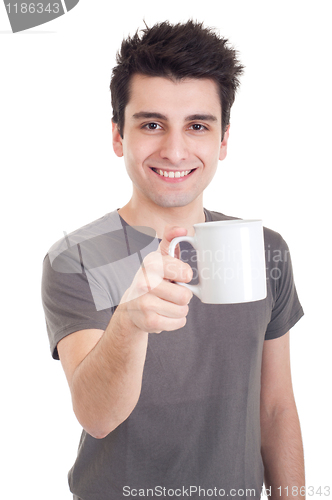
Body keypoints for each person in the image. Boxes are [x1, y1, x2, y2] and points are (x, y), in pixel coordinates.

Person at [41, 20, 305, 500]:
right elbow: (96, 416)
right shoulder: (75, 258)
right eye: (152, 124)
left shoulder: (266, 251)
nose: (175, 149)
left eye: (198, 126)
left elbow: (276, 409)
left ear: (223, 140)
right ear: (119, 136)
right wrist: (129, 324)